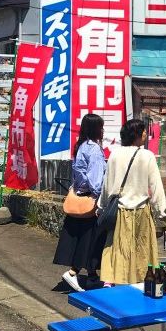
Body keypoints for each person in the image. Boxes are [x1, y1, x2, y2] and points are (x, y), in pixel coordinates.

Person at [99, 119, 166, 285]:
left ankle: (113, 280)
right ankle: (139, 279)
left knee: (117, 246)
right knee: (141, 248)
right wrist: (160, 210)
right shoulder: (147, 155)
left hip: (120, 210)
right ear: (136, 134)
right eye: (143, 131)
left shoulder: (114, 154)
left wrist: (102, 206)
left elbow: (106, 183)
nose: (145, 134)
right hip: (141, 210)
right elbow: (155, 185)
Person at [53, 113, 107, 292]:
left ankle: (92, 276)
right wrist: (99, 197)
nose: (103, 130)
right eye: (101, 127)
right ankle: (73, 273)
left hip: (78, 196)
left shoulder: (81, 146)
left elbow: (78, 174)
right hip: (89, 200)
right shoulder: (94, 150)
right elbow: (96, 179)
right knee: (90, 239)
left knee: (79, 238)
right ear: (95, 129)